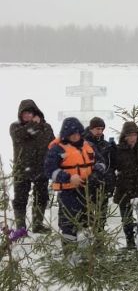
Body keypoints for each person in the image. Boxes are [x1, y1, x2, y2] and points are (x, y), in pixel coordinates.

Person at [45, 117, 106, 250]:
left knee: (87, 222)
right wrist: (68, 178)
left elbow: (101, 162)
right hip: (67, 193)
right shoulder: (57, 149)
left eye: (78, 133)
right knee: (69, 224)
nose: (75, 136)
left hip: (87, 191)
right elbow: (49, 170)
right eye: (72, 134)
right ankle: (70, 255)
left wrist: (96, 173)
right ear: (66, 135)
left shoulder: (88, 145)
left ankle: (86, 255)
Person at [9, 99, 54, 232]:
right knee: (20, 200)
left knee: (42, 197)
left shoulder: (46, 127)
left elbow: (53, 146)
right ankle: (20, 228)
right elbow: (21, 136)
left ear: (36, 113)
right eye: (24, 113)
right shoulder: (15, 127)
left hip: (41, 169)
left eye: (30, 113)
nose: (27, 115)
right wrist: (34, 124)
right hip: (22, 170)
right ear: (20, 115)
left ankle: (37, 225)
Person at [110, 121, 138, 249]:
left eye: (134, 135)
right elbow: (111, 169)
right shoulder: (118, 150)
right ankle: (130, 243)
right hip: (124, 190)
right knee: (127, 220)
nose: (131, 138)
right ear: (124, 136)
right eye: (129, 135)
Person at [83, 117, 116, 229]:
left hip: (103, 184)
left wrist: (114, 151)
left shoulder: (106, 144)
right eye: (97, 129)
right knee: (87, 213)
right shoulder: (83, 144)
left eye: (102, 129)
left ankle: (99, 238)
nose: (100, 132)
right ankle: (88, 237)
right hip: (87, 184)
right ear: (91, 128)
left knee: (102, 214)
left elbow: (111, 166)